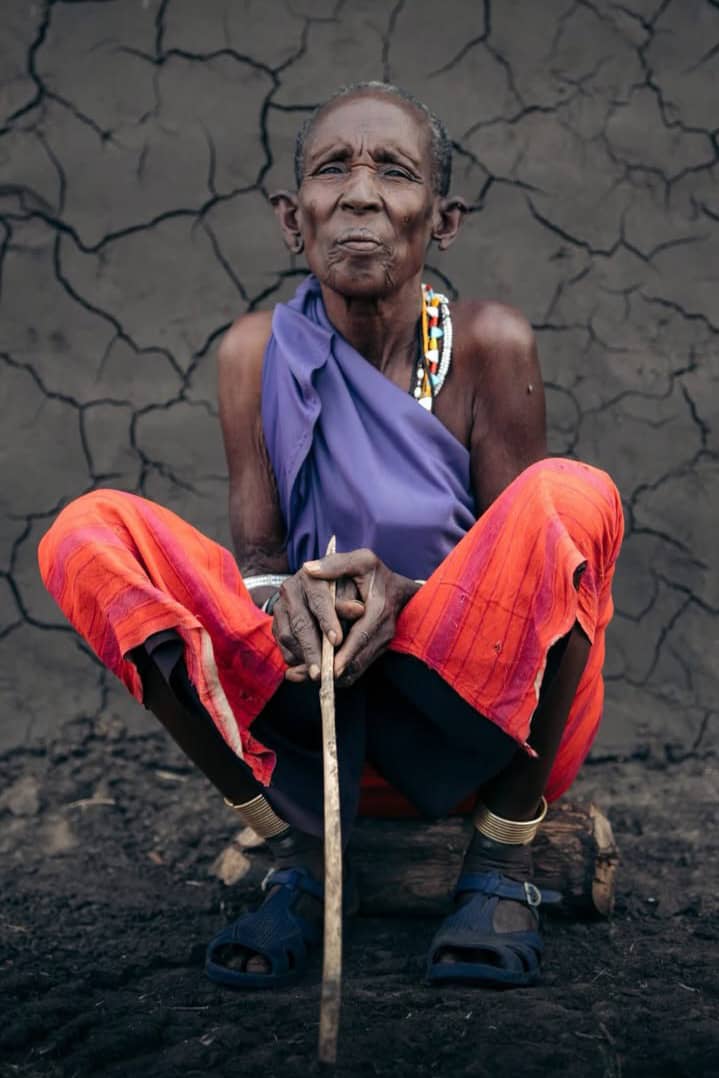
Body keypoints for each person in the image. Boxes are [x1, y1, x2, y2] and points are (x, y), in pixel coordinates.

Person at [38, 81, 623, 990]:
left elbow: (530, 589)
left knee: (570, 496)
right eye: (331, 169)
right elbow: (262, 569)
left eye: (392, 170)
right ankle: (295, 857)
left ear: (444, 217)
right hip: (312, 724)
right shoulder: (253, 353)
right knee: (89, 534)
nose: (358, 193)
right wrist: (295, 602)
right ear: (291, 217)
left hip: (472, 725)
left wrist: (403, 596)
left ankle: (501, 867)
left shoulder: (488, 345)